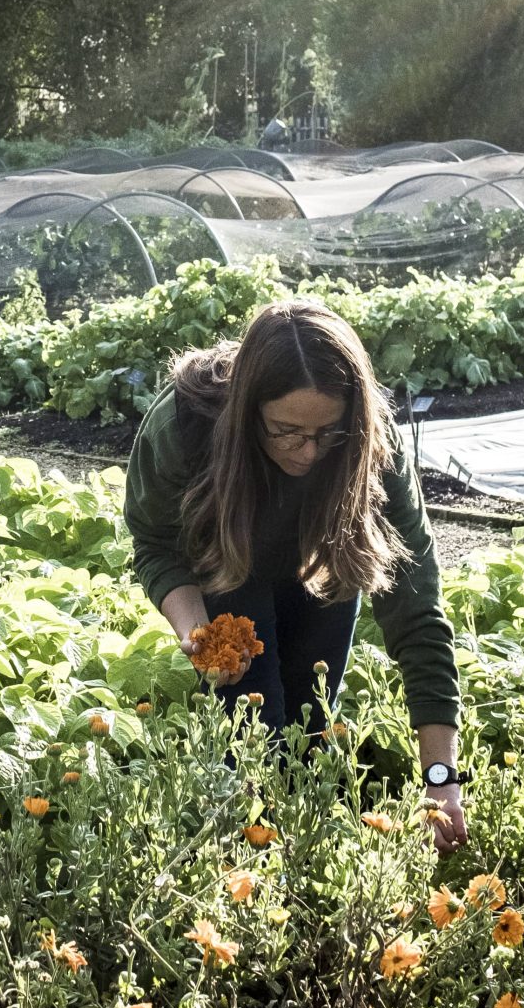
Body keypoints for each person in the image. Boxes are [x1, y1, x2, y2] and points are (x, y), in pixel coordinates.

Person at [123, 300, 467, 853]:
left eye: (327, 433)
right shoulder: (184, 425)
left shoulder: (374, 447)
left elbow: (418, 616)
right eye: (287, 431)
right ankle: (247, 868)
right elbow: (156, 543)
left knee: (311, 730)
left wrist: (441, 781)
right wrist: (195, 632)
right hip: (229, 560)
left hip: (321, 563)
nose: (308, 452)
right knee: (254, 733)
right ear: (248, 411)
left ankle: (306, 866)